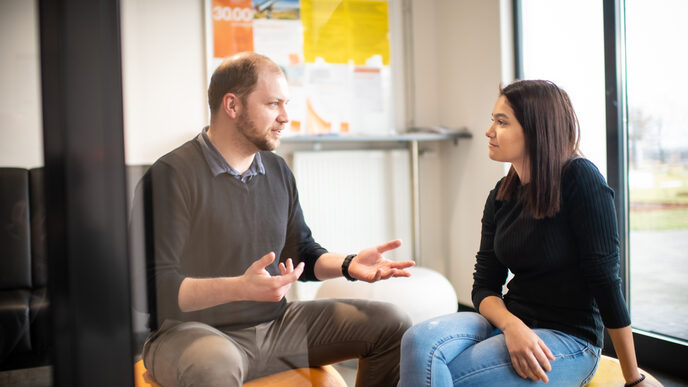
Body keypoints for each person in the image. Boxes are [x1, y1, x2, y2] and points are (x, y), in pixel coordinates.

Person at [138, 52, 414, 387]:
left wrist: (350, 264)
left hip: (276, 326)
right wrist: (239, 288)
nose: (285, 117)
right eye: (273, 104)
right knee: (216, 365)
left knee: (392, 323)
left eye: (286, 104)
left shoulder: (276, 169)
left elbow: (301, 253)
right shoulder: (171, 175)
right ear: (232, 105)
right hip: (192, 333)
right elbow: (150, 288)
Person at [398, 80, 661, 386]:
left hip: (570, 339)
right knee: (416, 340)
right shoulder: (501, 195)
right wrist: (511, 326)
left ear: (536, 129)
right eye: (492, 120)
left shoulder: (580, 178)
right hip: (510, 322)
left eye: (501, 122)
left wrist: (634, 377)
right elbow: (484, 287)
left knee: (445, 377)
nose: (489, 131)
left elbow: (605, 281)